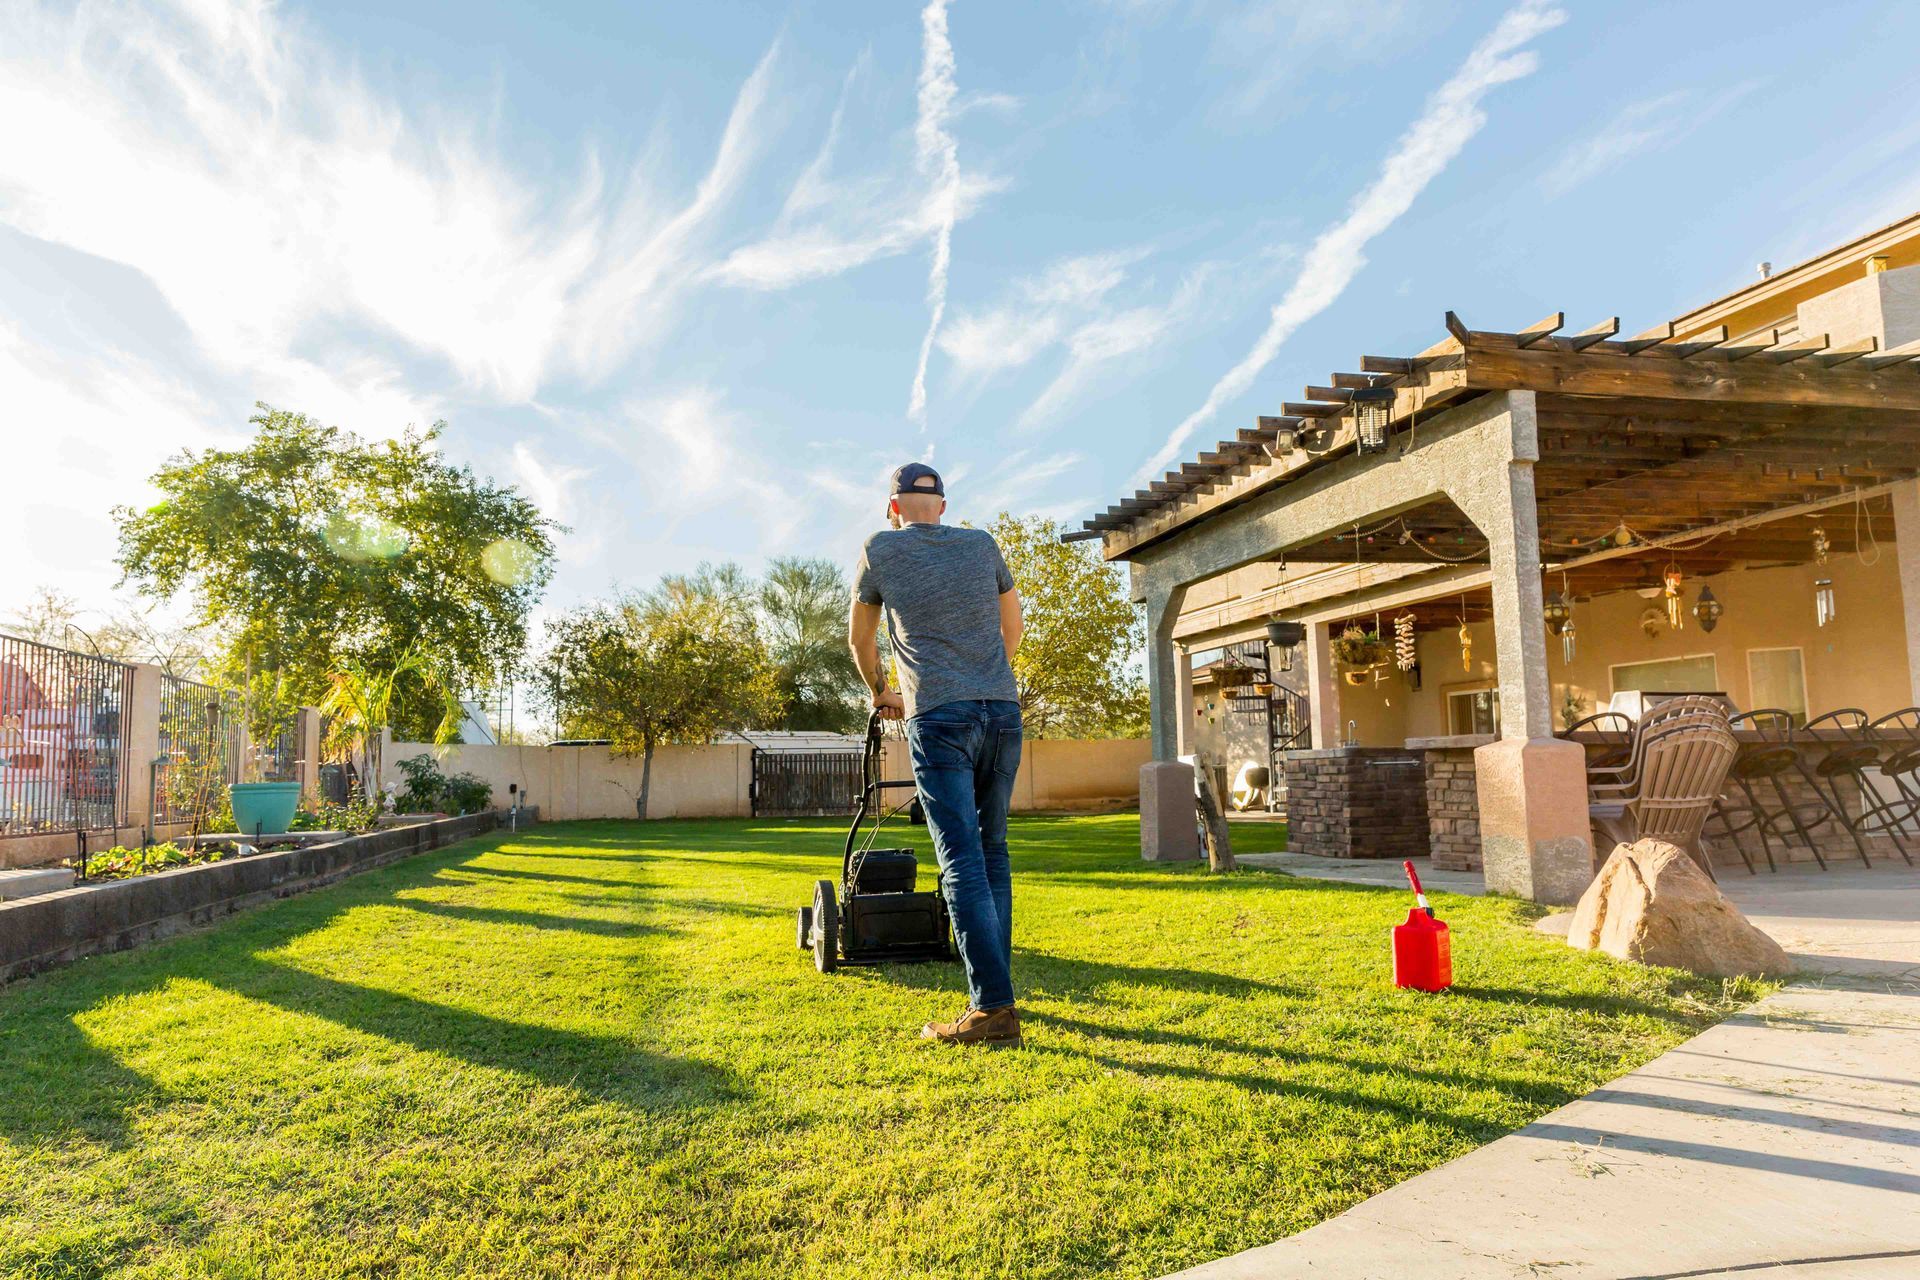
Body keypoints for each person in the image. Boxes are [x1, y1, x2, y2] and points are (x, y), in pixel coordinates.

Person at [849, 462, 1025, 1047]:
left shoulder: (880, 548)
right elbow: (1013, 626)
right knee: (993, 849)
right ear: (943, 506)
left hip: (940, 718)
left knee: (962, 860)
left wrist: (883, 693)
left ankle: (994, 1007)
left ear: (892, 506)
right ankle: (994, 995)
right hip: (1001, 710)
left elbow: (861, 639)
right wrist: (985, 676)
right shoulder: (981, 544)